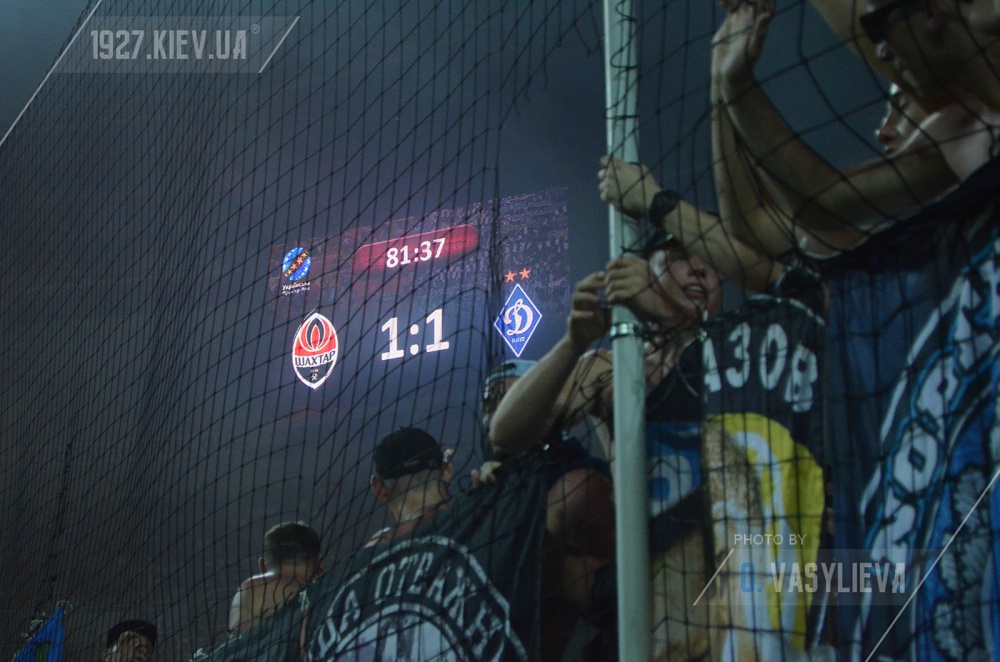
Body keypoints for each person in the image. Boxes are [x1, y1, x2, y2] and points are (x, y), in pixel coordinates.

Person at [482, 360, 615, 660]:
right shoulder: (494, 490)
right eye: (490, 403)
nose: (497, 412)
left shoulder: (578, 483)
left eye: (511, 397)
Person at [227, 521, 323, 636]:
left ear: (262, 565)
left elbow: (237, 640)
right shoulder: (329, 595)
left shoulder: (256, 588)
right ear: (319, 562)